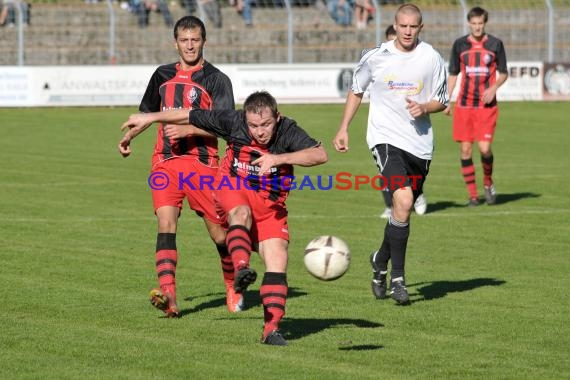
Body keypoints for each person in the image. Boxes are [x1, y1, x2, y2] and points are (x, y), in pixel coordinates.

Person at [120, 91, 328, 345]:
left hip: (271, 205)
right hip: (232, 188)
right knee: (240, 213)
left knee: (278, 258)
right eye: (253, 126)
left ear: (277, 117)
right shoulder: (233, 120)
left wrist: (279, 158)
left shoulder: (288, 130)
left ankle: (271, 329)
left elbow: (320, 154)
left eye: (266, 125)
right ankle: (241, 268)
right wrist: (150, 117)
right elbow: (188, 114)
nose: (259, 132)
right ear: (245, 119)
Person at [117, 16, 240, 318]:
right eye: (184, 40)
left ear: (204, 41)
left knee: (219, 235)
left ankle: (231, 284)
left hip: (203, 165)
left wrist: (191, 131)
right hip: (165, 162)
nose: (189, 45)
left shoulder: (216, 80)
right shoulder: (161, 75)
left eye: (194, 40)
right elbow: (147, 114)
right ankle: (169, 295)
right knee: (165, 224)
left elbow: (229, 128)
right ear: (175, 43)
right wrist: (130, 135)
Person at [333, 3, 448, 304]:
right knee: (404, 199)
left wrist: (425, 107)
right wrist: (344, 127)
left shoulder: (431, 58)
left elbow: (441, 99)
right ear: (394, 26)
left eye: (414, 26)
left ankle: (378, 261)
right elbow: (356, 90)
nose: (408, 31)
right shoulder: (376, 57)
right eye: (403, 26)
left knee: (402, 209)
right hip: (384, 139)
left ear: (420, 28)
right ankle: (398, 278)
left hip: (420, 144)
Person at [445, 6, 508, 206]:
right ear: (469, 23)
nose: (477, 27)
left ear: (484, 23)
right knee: (465, 150)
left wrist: (494, 88)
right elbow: (454, 74)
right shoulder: (460, 45)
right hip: (464, 106)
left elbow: (504, 73)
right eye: (474, 24)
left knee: (485, 148)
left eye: (480, 24)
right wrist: (447, 99)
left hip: (486, 107)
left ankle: (488, 183)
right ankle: (473, 195)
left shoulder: (496, 44)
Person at [375, 24, 427, 219]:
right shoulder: (378, 63)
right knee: (386, 169)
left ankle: (418, 194)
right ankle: (390, 205)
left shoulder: (415, 64)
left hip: (410, 127)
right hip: (384, 128)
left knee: (410, 170)